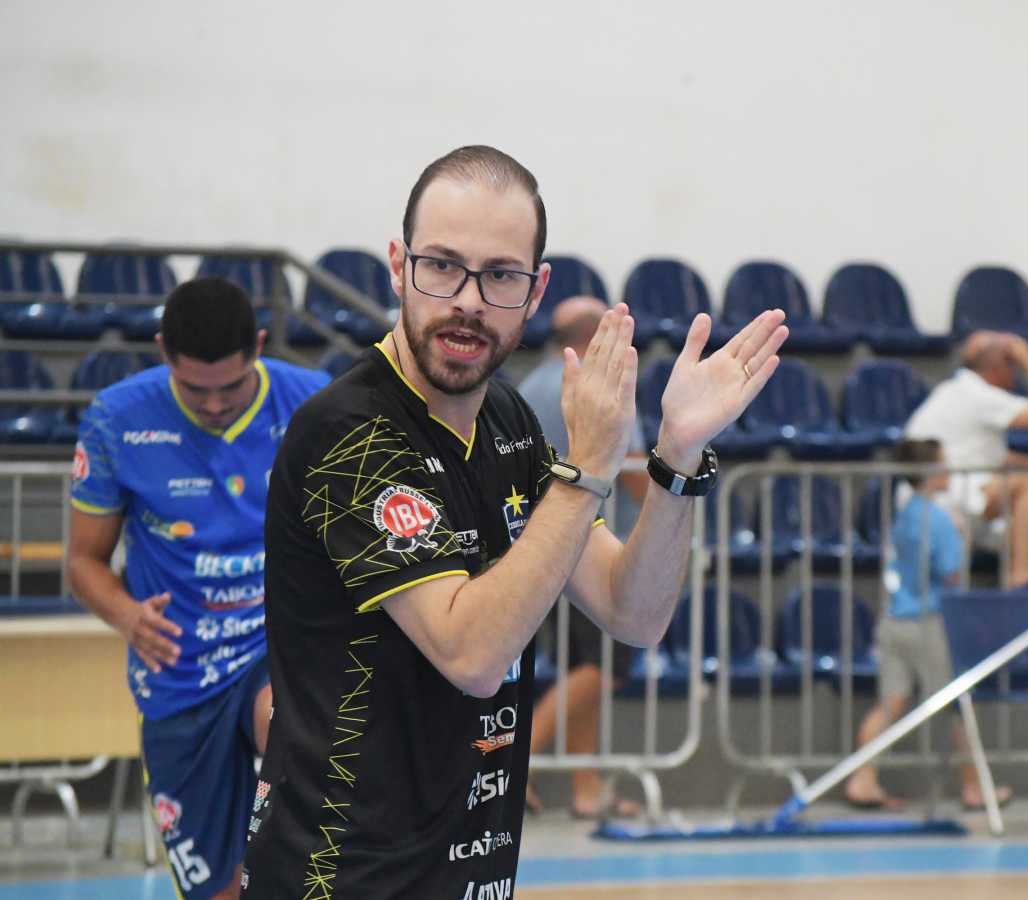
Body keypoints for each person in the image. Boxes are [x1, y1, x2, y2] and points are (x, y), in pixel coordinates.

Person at [241, 145, 788, 898]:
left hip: (471, 869)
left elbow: (633, 612)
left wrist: (676, 458)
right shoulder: (350, 434)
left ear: (536, 292)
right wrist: (588, 467)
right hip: (342, 874)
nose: (468, 300)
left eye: (500, 275)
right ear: (398, 266)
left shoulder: (507, 420)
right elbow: (472, 655)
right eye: (442, 266)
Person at [66, 278, 329, 900]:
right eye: (194, 389)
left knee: (292, 740)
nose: (213, 405)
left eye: (230, 388)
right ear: (163, 352)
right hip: (178, 669)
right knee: (215, 890)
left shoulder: (315, 403)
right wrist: (127, 616)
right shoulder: (116, 420)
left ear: (259, 347)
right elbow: (83, 562)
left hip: (274, 643)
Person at [517, 295, 648, 819]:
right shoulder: (601, 387)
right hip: (593, 551)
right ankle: (517, 764)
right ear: (597, 337)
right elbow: (635, 474)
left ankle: (586, 789)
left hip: (539, 547)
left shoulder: (527, 387)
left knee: (584, 669)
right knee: (603, 669)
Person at [844, 439, 1012, 812]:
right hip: (928, 621)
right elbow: (950, 573)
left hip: (894, 619)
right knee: (958, 705)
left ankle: (863, 778)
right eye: (943, 463)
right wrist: (962, 540)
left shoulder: (905, 514)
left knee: (890, 703)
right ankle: (974, 787)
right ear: (931, 472)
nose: (950, 469)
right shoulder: (938, 519)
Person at [903, 330, 1028, 586]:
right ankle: (1020, 576)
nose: (1015, 373)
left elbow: (985, 453)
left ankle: (1015, 603)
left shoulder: (958, 391)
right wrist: (1027, 358)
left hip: (952, 495)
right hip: (940, 497)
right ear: (999, 368)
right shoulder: (976, 394)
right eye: (1012, 365)